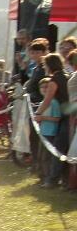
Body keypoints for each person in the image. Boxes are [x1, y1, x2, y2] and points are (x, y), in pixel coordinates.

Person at [33, 53, 70, 187]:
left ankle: (52, 180)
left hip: (64, 118)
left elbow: (47, 99)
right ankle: (65, 180)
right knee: (65, 149)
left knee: (57, 150)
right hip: (69, 116)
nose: (44, 67)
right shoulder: (66, 76)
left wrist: (38, 113)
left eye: (45, 65)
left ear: (50, 65)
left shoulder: (55, 80)